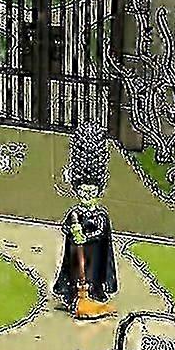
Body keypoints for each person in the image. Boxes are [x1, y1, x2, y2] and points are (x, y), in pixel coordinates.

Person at [54, 123, 116, 320]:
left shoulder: (100, 215)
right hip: (76, 254)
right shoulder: (75, 213)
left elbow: (100, 231)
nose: (87, 195)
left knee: (93, 274)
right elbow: (66, 227)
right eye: (83, 191)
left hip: (94, 254)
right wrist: (73, 231)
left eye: (91, 191)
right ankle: (74, 296)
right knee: (75, 273)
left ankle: (94, 294)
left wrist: (86, 236)